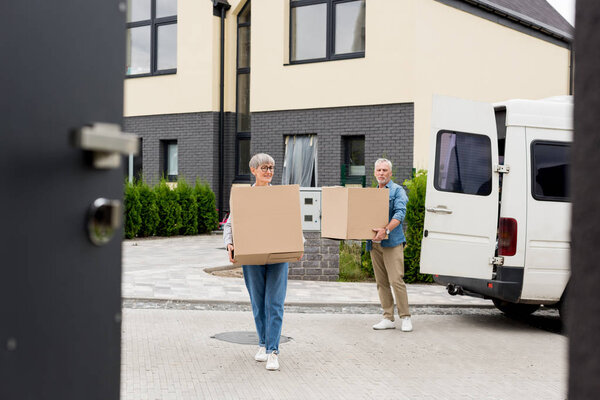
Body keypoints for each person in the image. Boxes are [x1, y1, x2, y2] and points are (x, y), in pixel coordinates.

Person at [223, 153, 301, 371]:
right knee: (258, 303)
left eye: (272, 167)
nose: (269, 171)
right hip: (252, 256)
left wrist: (298, 244)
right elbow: (230, 224)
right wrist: (230, 244)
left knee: (274, 303)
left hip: (278, 256)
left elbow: (292, 220)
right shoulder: (244, 196)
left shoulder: (280, 195)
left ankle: (273, 351)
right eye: (265, 167)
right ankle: (263, 343)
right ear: (253, 170)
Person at [368, 158, 413, 332]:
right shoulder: (372, 193)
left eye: (384, 170)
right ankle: (388, 317)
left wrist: (385, 230)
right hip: (374, 244)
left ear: (391, 173)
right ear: (374, 173)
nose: (381, 173)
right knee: (381, 282)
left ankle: (406, 317)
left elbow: (400, 213)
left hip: (392, 242)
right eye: (378, 170)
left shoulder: (397, 191)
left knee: (396, 280)